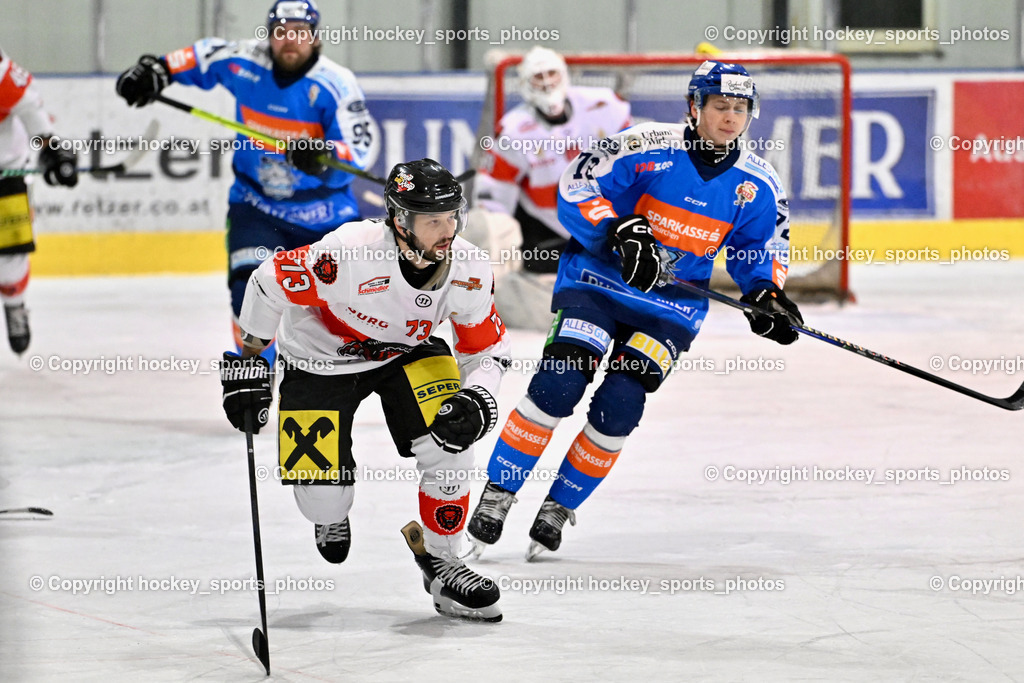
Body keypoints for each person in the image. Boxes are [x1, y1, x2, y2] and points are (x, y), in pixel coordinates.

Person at [467, 60, 803, 559]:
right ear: (694, 106)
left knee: (621, 404)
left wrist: (766, 294)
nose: (730, 118)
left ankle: (558, 506)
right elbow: (577, 184)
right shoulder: (646, 144)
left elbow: (761, 249)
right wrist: (617, 229)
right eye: (719, 106)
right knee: (560, 382)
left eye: (740, 108)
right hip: (598, 283)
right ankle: (498, 493)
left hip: (671, 307)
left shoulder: (758, 183)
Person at [220, 159, 510, 622]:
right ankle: (330, 510)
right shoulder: (346, 255)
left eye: (452, 217)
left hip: (407, 352)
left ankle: (443, 561)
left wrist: (478, 398)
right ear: (399, 220)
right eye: (432, 220)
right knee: (323, 497)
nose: (446, 230)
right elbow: (266, 280)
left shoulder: (469, 268)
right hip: (320, 359)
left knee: (453, 438)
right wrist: (251, 364)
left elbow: (488, 351)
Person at [115, 0, 378, 360]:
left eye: (300, 33)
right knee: (248, 289)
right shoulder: (246, 61)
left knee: (344, 309)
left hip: (325, 218)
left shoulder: (336, 84)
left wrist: (324, 157)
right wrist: (157, 71)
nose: (290, 40)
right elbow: (202, 56)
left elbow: (360, 151)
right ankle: (255, 374)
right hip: (256, 207)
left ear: (315, 39)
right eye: (281, 32)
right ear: (269, 36)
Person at [467, 46, 631, 330]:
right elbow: (495, 197)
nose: (546, 82)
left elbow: (635, 167)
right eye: (537, 77)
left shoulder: (604, 106)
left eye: (551, 73)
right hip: (547, 232)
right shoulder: (515, 130)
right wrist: (497, 245)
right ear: (524, 85)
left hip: (605, 220)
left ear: (564, 75)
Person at [0, 49, 78, 354]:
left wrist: (49, 147)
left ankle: (14, 303)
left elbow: (30, 106)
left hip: (5, 167)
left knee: (9, 260)